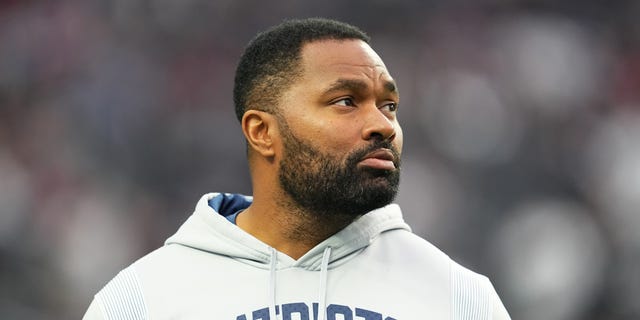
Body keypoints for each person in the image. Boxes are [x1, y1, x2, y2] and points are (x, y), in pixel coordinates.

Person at [83, 18, 511, 320]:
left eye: (389, 106)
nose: (383, 125)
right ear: (262, 132)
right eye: (346, 101)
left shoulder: (461, 300)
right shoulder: (139, 304)